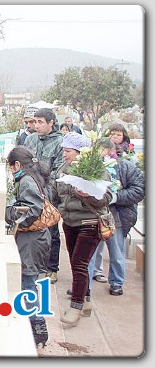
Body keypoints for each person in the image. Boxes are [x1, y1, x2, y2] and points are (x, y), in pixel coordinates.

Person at [51, 132, 112, 327]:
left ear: (80, 152)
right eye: (64, 150)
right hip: (69, 222)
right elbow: (56, 191)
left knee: (79, 263)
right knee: (76, 263)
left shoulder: (96, 169)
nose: (64, 154)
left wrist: (88, 195)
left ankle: (75, 306)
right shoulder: (63, 168)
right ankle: (86, 301)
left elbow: (106, 198)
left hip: (90, 222)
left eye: (68, 151)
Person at [5, 146, 51, 347]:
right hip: (36, 240)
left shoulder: (26, 181)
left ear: (17, 164)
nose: (11, 171)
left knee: (28, 285)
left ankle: (38, 328)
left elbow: (29, 212)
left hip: (32, 241)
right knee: (29, 283)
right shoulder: (35, 177)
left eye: (11, 167)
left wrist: (7, 212)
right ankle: (35, 327)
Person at [88, 139, 144, 296]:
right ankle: (85, 284)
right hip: (94, 215)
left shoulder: (127, 167)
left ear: (111, 150)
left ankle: (117, 282)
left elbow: (138, 190)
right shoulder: (91, 165)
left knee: (116, 251)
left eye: (103, 150)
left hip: (116, 217)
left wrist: (115, 197)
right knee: (89, 252)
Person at [24, 108, 64, 283]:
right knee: (32, 229)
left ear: (51, 123)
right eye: (35, 122)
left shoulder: (60, 143)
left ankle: (51, 268)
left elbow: (58, 171)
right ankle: (35, 265)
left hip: (50, 193)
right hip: (29, 190)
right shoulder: (30, 139)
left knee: (51, 231)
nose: (36, 126)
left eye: (41, 122)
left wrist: (46, 191)